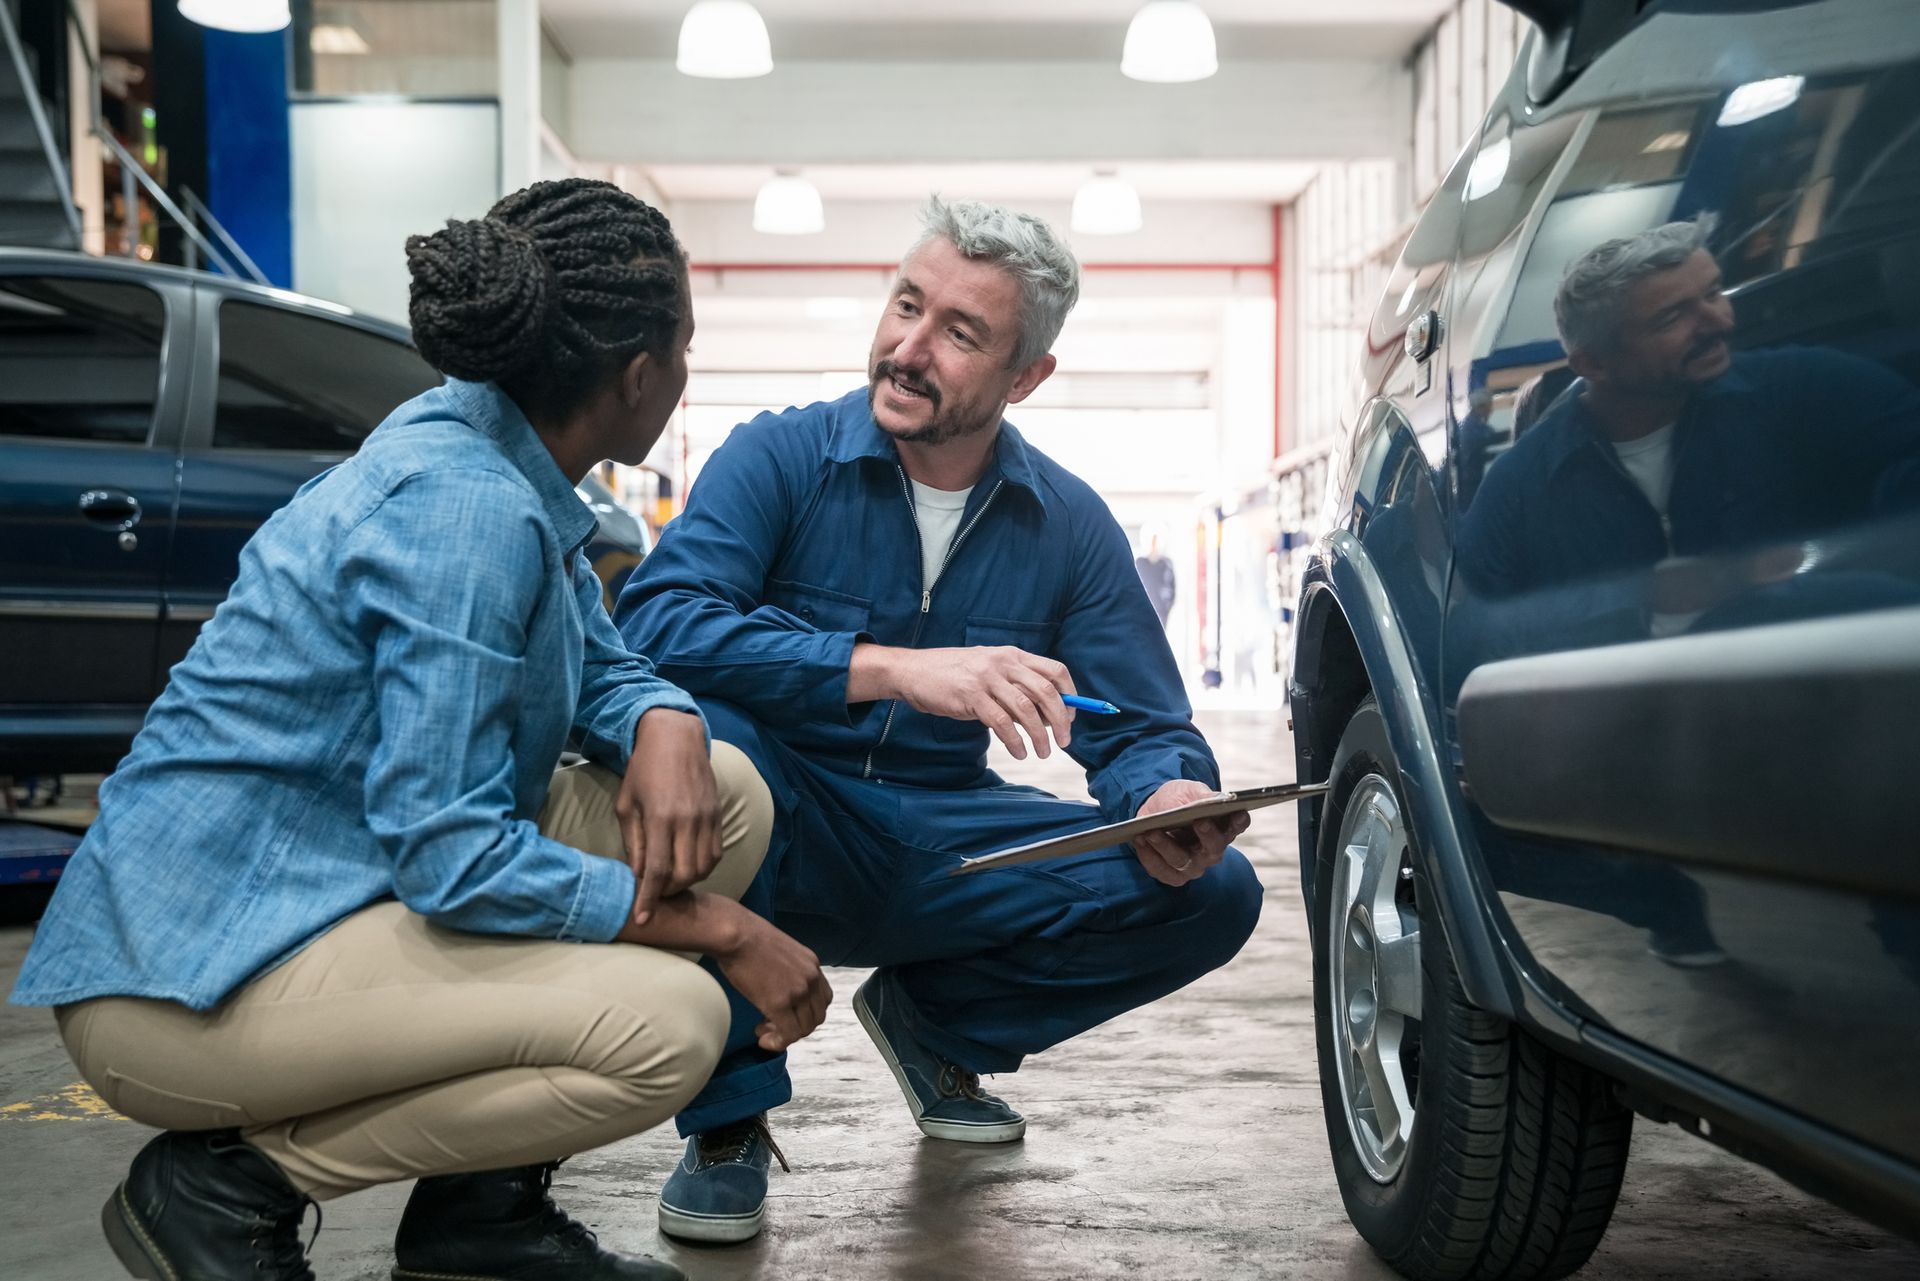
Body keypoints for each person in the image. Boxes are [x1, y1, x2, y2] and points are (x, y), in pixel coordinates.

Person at [7, 179, 830, 1281]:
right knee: (667, 1026)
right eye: (683, 349)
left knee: (724, 792)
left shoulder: (496, 454)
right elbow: (451, 857)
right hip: (186, 980)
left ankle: (478, 1222)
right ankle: (224, 1188)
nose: (684, 376)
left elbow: (596, 654)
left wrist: (664, 715)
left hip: (329, 884)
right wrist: (723, 932)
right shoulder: (464, 510)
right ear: (640, 377)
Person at [616, 196, 1264, 1244]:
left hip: (940, 843)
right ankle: (730, 1122)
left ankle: (933, 1021)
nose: (909, 349)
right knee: (716, 747)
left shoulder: (1069, 524)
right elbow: (658, 626)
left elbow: (1144, 724)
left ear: (1025, 379)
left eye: (960, 334)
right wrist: (896, 671)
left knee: (1216, 892)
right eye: (906, 305)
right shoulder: (778, 460)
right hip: (786, 819)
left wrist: (1167, 795)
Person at [1459, 216, 1920, 610]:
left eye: (1714, 293)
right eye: (1671, 318)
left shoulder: (1807, 388)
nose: (1719, 321)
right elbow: (1482, 635)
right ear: (1593, 363)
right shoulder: (1524, 490)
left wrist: (1839, 574)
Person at [1133, 528, 1177, 627]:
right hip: (1144, 612)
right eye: (1152, 541)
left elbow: (1172, 590)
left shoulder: (1166, 564)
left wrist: (1166, 609)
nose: (1154, 544)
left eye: (1157, 541)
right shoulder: (1140, 563)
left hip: (1162, 611)